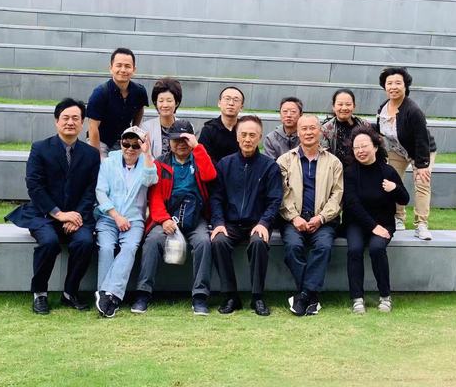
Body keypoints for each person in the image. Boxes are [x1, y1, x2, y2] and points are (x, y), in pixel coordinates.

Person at [5, 98, 100, 315]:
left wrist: (76, 216)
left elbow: (91, 189)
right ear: (57, 121)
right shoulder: (40, 148)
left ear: (82, 123)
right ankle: (40, 293)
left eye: (75, 118)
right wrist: (59, 214)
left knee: (85, 242)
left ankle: (70, 293)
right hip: (44, 214)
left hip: (77, 214)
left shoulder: (91, 154)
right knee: (48, 242)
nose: (70, 122)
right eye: (65, 118)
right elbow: (34, 186)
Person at [131, 120, 217, 316]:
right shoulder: (160, 163)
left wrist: (198, 147)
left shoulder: (200, 157)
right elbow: (155, 197)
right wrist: (163, 219)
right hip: (167, 215)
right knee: (152, 240)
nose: (180, 144)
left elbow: (210, 176)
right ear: (169, 141)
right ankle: (143, 293)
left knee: (204, 242)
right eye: (176, 140)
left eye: (185, 139)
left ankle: (200, 296)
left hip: (195, 216)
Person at [210, 115, 283, 316]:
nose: (248, 139)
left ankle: (257, 297)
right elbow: (216, 198)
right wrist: (218, 222)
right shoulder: (225, 164)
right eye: (243, 134)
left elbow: (275, 199)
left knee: (259, 242)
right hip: (230, 223)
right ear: (237, 136)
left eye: (252, 135)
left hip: (257, 222)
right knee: (218, 241)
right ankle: (230, 296)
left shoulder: (269, 166)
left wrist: (264, 222)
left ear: (260, 137)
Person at [277, 114, 343, 316]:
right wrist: (294, 217)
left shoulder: (333, 162)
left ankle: (304, 295)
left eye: (312, 128)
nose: (308, 132)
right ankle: (311, 296)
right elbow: (281, 194)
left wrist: (321, 218)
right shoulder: (285, 160)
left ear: (320, 131)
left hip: (324, 220)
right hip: (293, 219)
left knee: (323, 247)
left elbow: (337, 195)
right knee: (293, 247)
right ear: (298, 133)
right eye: (304, 129)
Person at [343, 125, 409, 314]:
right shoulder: (350, 172)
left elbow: (404, 199)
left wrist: (395, 188)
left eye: (364, 146)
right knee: (354, 249)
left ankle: (385, 296)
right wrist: (373, 227)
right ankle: (357, 298)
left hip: (384, 222)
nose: (360, 151)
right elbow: (352, 204)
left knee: (377, 248)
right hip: (357, 223)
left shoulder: (387, 171)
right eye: (356, 148)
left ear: (375, 146)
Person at [94, 126, 158, 318]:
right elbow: (100, 192)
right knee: (106, 248)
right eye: (126, 143)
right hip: (108, 217)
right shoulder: (108, 162)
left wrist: (147, 154)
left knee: (129, 248)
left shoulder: (148, 162)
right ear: (121, 143)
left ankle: (109, 294)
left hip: (134, 220)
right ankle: (107, 294)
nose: (130, 148)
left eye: (135, 145)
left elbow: (151, 180)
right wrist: (116, 216)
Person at [376, 67, 437, 241]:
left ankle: (421, 224)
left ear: (405, 86)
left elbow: (421, 138)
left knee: (422, 183)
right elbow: (380, 131)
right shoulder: (383, 108)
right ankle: (398, 217)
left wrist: (423, 165)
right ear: (384, 86)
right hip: (397, 150)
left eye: (398, 83)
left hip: (421, 151)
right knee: (393, 181)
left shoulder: (413, 110)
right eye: (389, 83)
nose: (393, 87)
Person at [87, 47, 149, 158]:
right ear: (111, 68)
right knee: (102, 166)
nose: (123, 70)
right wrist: (96, 156)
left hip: (124, 140)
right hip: (100, 140)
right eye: (119, 65)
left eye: (127, 66)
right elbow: (93, 128)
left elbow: (140, 109)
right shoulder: (100, 93)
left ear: (134, 69)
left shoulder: (139, 91)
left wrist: (134, 130)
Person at [141, 77, 192, 158]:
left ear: (176, 103)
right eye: (161, 101)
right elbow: (145, 156)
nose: (165, 105)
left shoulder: (186, 126)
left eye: (169, 101)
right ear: (156, 103)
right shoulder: (146, 128)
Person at [198, 86, 245, 163]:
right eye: (227, 99)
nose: (231, 103)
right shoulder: (209, 130)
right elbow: (204, 159)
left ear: (241, 107)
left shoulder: (245, 129)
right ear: (219, 103)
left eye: (236, 100)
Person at [320, 88, 364, 165]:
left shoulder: (363, 125)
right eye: (340, 104)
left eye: (348, 104)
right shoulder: (325, 129)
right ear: (333, 106)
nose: (344, 108)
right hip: (334, 169)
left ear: (354, 106)